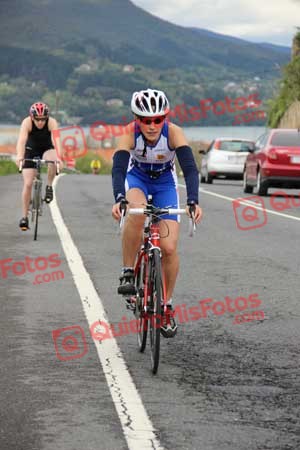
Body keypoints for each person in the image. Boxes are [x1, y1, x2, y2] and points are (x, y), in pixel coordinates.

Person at [111, 88, 203, 337]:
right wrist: (119, 198)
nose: (152, 126)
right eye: (145, 120)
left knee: (169, 247)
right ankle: (128, 271)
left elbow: (190, 170)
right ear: (136, 119)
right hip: (137, 179)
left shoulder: (173, 133)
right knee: (136, 213)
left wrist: (193, 200)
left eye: (157, 120)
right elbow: (118, 169)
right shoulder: (129, 134)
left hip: (164, 183)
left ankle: (166, 305)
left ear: (165, 118)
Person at [16, 102, 62, 231]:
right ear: (32, 117)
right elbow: (21, 140)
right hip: (31, 149)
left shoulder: (52, 122)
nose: (40, 122)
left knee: (53, 160)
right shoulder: (27, 122)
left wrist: (60, 157)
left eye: (43, 119)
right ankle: (24, 217)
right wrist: (20, 156)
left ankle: (49, 186)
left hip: (47, 149)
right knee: (28, 183)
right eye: (37, 119)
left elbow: (57, 141)